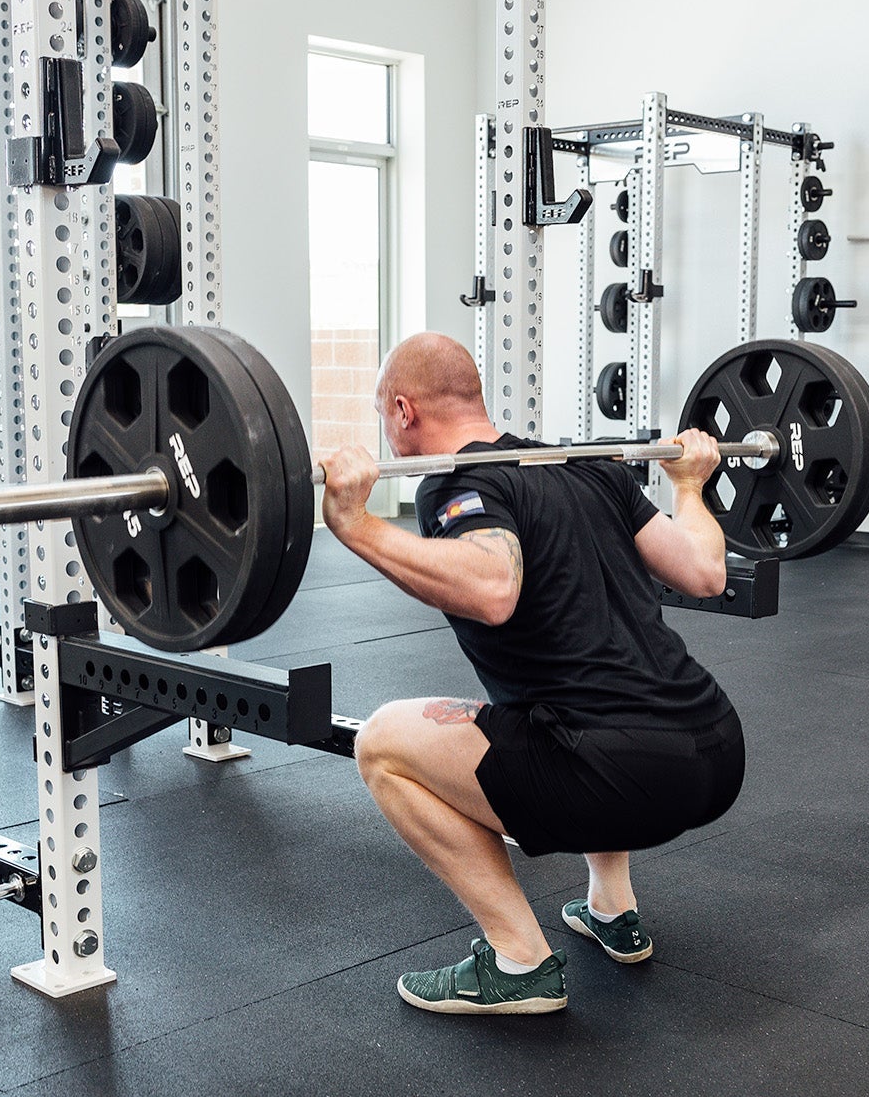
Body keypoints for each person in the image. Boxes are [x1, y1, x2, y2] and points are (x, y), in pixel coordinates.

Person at [317, 332, 746, 1015]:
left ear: (404, 411)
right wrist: (690, 487)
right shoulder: (587, 465)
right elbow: (704, 570)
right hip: (717, 750)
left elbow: (493, 587)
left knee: (382, 743)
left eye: (384, 416)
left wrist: (356, 525)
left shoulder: (460, 483)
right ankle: (611, 906)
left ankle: (519, 959)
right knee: (578, 701)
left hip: (619, 779)